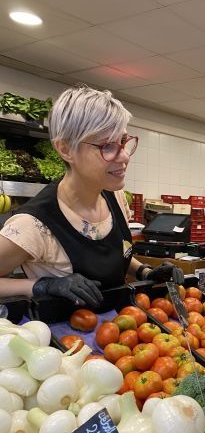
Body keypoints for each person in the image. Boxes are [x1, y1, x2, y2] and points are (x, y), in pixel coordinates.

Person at [0, 85, 183, 307]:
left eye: (124, 142)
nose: (124, 156)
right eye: (107, 146)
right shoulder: (33, 225)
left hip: (118, 331)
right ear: (66, 149)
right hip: (65, 337)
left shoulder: (115, 197)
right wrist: (42, 285)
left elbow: (114, 253)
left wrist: (145, 272)